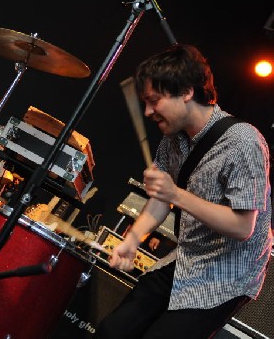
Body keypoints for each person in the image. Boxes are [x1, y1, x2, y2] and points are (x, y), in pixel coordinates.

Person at [95, 44, 272, 339]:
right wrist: (134, 238)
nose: (149, 111)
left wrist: (175, 194)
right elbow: (160, 199)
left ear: (187, 91)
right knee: (112, 331)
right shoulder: (173, 139)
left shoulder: (243, 142)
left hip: (226, 274)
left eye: (155, 101)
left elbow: (243, 226)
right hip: (187, 257)